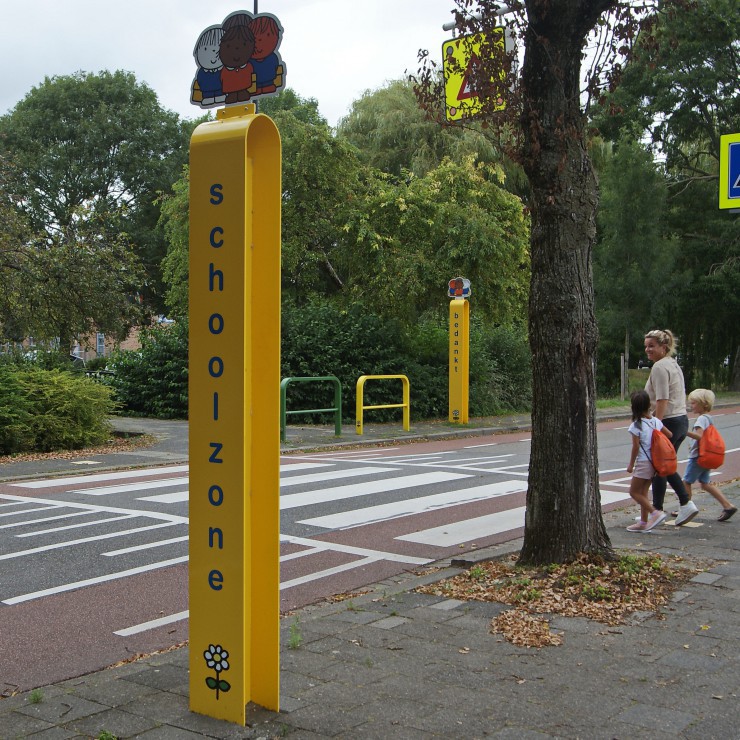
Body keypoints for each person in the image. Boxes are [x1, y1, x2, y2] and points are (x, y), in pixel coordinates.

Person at [643, 329, 698, 526]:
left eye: (652, 346)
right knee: (662, 467)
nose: (648, 350)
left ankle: (683, 503)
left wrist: (655, 426)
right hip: (680, 419)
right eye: (646, 346)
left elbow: (662, 398)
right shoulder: (673, 364)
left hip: (668, 420)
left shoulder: (659, 367)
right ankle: (658, 510)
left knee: (662, 465)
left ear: (663, 347)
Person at [684, 388, 737, 521]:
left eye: (694, 403)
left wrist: (683, 431)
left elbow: (698, 436)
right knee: (705, 483)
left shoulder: (701, 419)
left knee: (686, 482)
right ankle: (727, 505)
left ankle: (686, 509)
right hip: (706, 456)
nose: (691, 406)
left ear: (704, 404)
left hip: (698, 457)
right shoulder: (708, 418)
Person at [625, 391, 669, 532]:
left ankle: (655, 513)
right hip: (655, 462)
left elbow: (636, 447)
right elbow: (669, 434)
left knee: (633, 492)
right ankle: (643, 523)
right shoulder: (656, 421)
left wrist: (631, 464)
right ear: (649, 404)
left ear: (634, 408)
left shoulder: (636, 426)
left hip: (644, 462)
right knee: (643, 492)